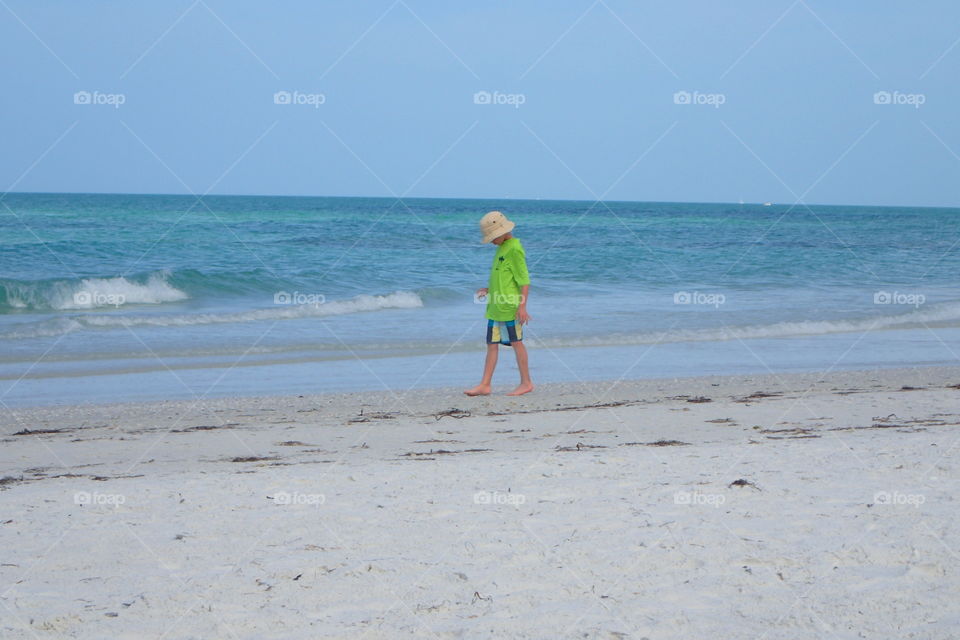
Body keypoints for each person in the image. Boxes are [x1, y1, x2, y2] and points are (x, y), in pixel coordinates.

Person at [464, 211, 534, 396]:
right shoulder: (501, 249)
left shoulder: (514, 248)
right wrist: (489, 290)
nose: (492, 241)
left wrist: (522, 307)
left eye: (493, 237)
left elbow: (523, 280)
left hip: (510, 308)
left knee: (516, 343)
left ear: (503, 232)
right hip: (495, 307)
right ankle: (485, 384)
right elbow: (503, 278)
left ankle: (526, 382)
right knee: (492, 344)